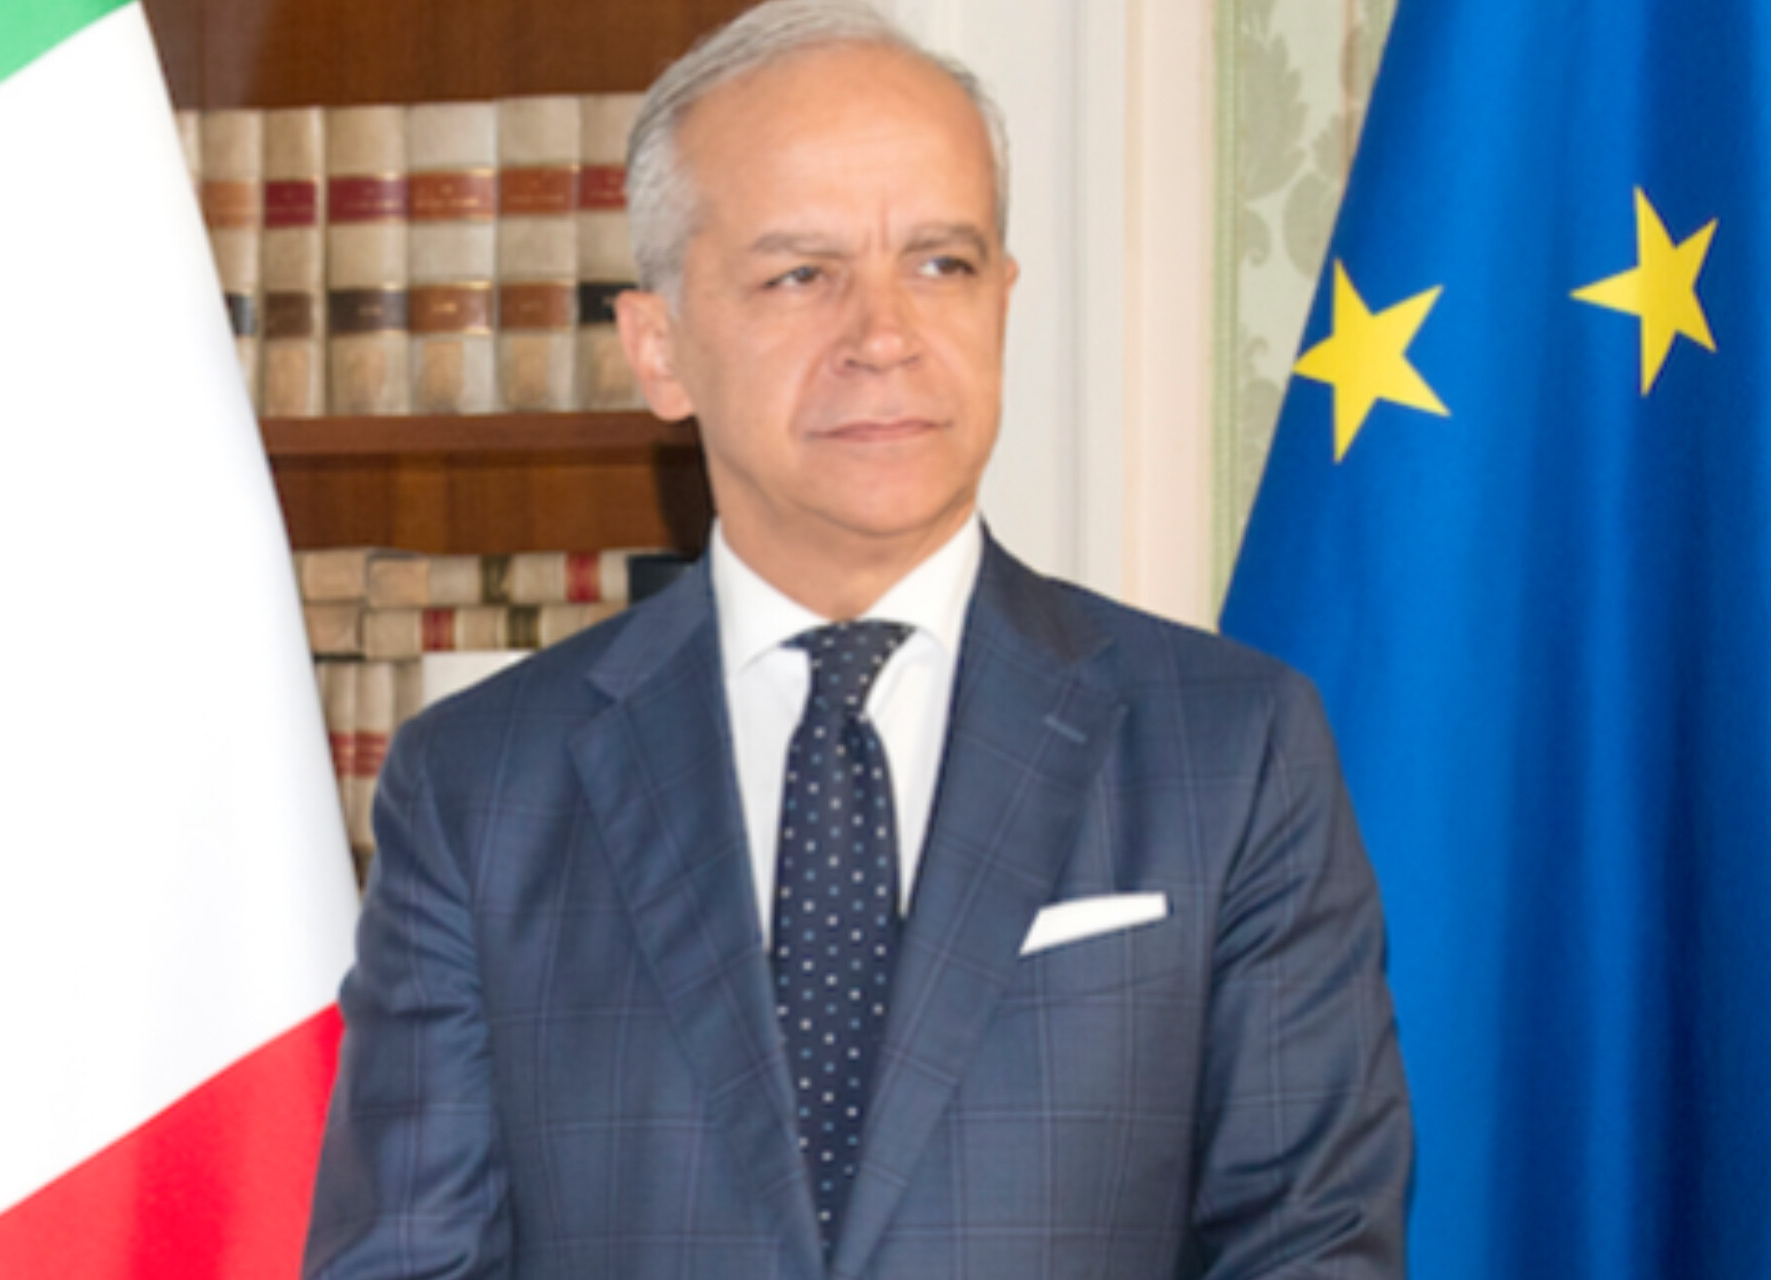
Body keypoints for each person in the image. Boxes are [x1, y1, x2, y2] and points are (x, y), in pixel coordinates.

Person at [302, 3, 1412, 1277]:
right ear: (659, 349)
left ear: (1004, 303)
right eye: (802, 274)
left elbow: (1313, 1244)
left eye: (940, 264)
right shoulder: (480, 786)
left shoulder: (1233, 747)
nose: (884, 335)